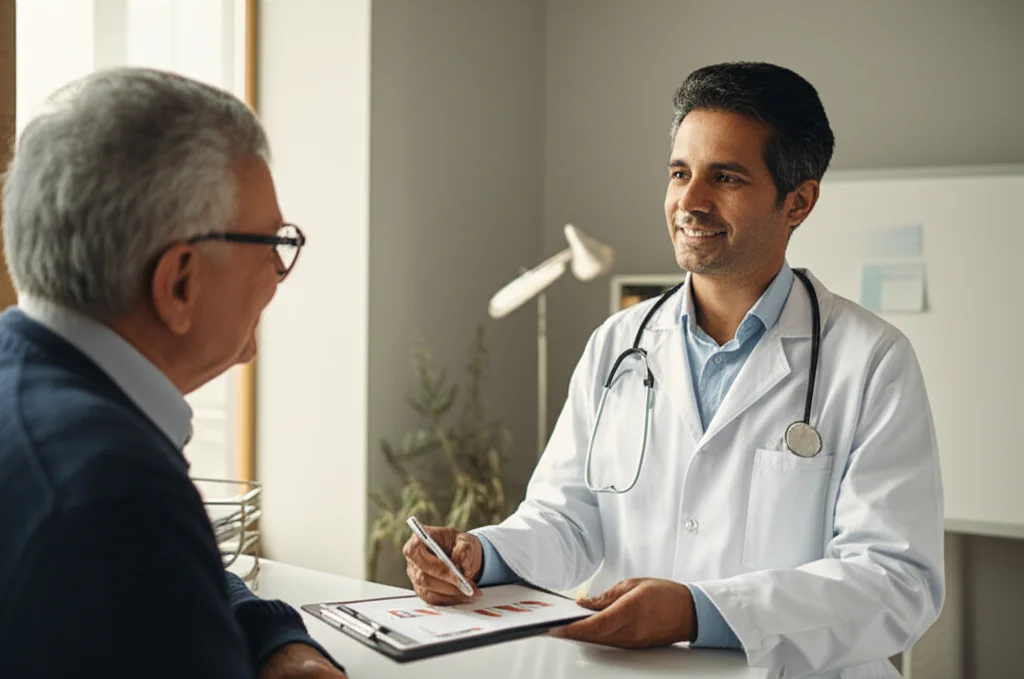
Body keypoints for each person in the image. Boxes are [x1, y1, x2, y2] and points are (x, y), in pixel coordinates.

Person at [403, 62, 944, 679]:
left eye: (727, 177)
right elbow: (569, 517)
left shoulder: (872, 361)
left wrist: (698, 612)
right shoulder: (620, 343)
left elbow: (896, 581)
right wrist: (484, 553)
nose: (689, 201)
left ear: (798, 201)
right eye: (680, 173)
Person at [0, 68, 345, 678]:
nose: (277, 272)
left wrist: (270, 636)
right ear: (180, 281)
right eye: (271, 245)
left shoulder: (34, 399)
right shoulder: (113, 490)